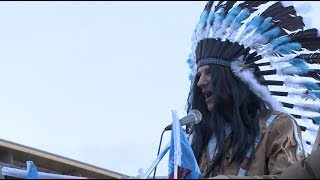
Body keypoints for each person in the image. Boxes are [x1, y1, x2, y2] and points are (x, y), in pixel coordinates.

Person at [184, 1, 320, 179]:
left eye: (209, 73)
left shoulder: (277, 126)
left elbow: (291, 176)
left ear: (234, 80)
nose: (200, 82)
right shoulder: (202, 138)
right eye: (199, 75)